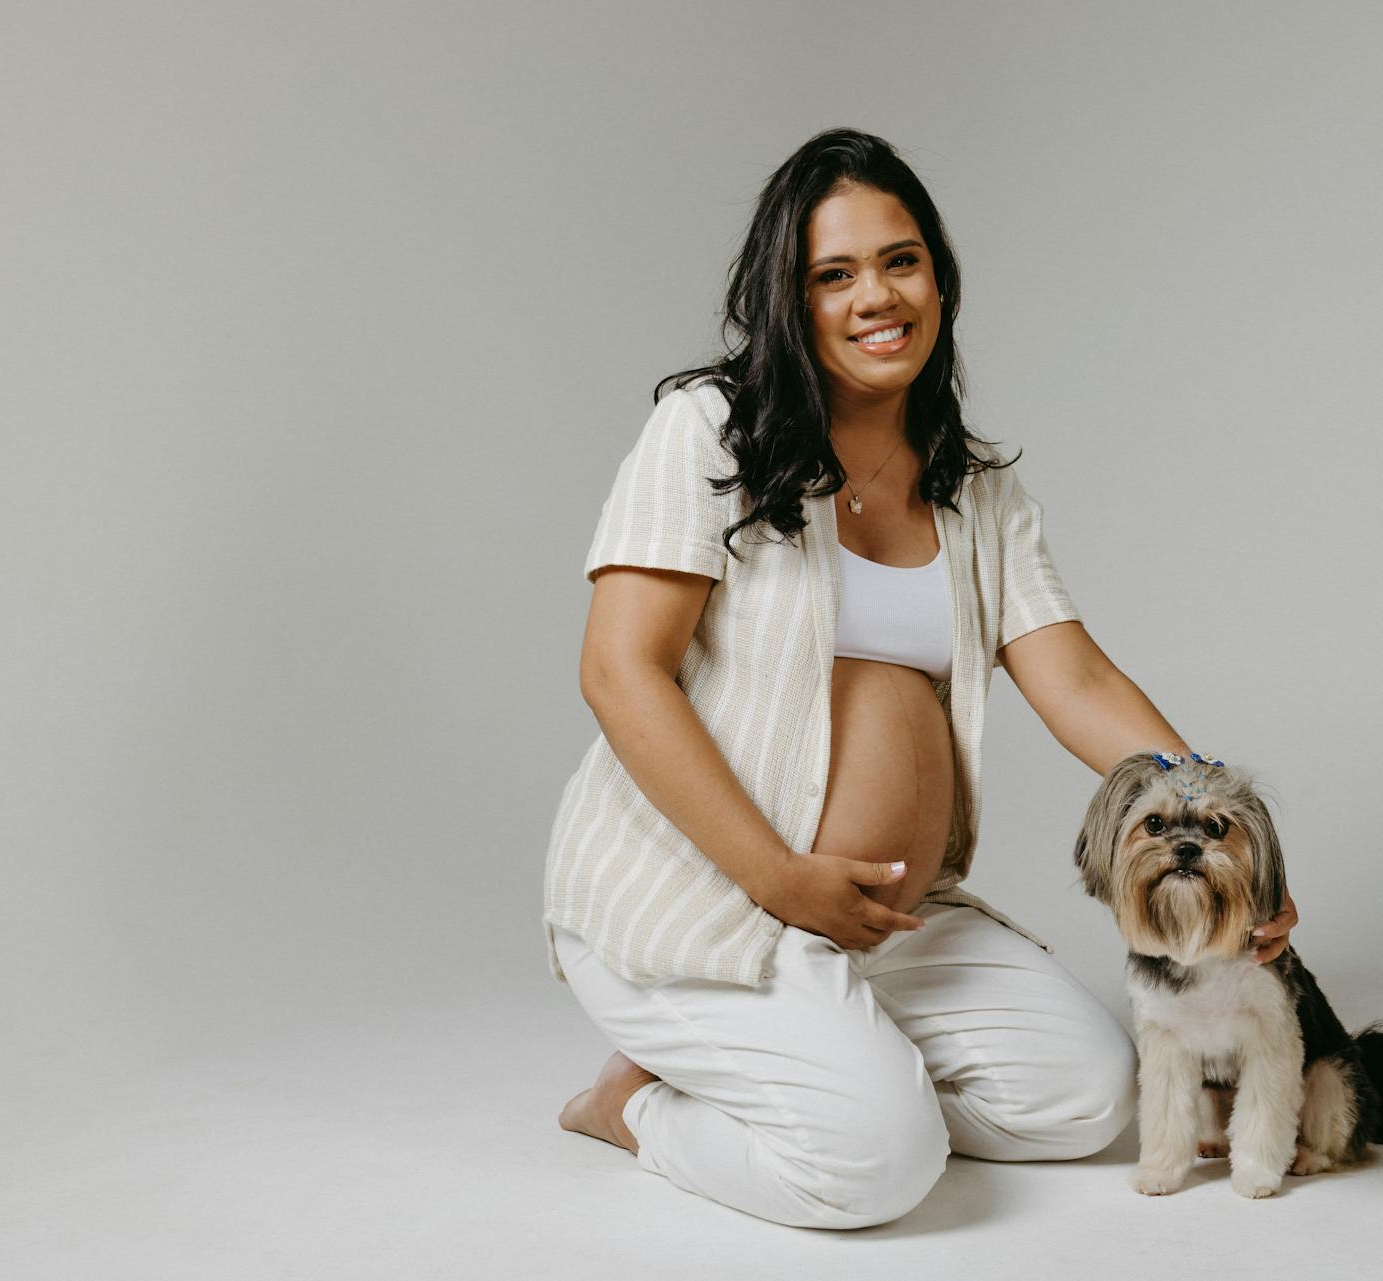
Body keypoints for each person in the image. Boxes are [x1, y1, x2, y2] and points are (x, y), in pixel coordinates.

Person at [543, 128, 1298, 1229]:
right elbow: (619, 674)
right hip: (710, 900)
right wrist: (774, 876)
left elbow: (1075, 677)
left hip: (891, 924)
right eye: (832, 275)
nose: (875, 297)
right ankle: (637, 1106)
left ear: (937, 275)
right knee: (875, 1169)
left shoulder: (972, 488)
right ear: (787, 300)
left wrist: (1225, 830)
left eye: (900, 260)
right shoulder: (709, 429)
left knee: (1093, 1100)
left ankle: (828, 1066)